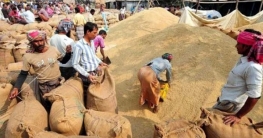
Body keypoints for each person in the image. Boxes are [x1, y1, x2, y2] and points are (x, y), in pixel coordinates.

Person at [9, 30, 72, 111]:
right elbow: (23, 74)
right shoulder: (28, 56)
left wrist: (68, 53)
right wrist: (16, 88)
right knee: (49, 108)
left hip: (59, 83)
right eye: (36, 41)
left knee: (61, 107)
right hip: (45, 87)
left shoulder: (53, 49)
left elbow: (63, 61)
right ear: (31, 42)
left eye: (41, 40)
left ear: (44, 40)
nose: (40, 43)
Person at [213, 29, 263, 125]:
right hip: (224, 103)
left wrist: (238, 116)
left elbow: (255, 96)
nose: (236, 46)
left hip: (230, 108)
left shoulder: (253, 67)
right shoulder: (243, 60)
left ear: (246, 46)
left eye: (239, 43)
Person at [72, 22, 107, 89]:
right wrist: (87, 75)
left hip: (95, 72)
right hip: (87, 76)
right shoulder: (79, 46)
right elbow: (75, 64)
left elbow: (93, 55)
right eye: (94, 33)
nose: (96, 35)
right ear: (88, 31)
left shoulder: (91, 42)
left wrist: (100, 62)